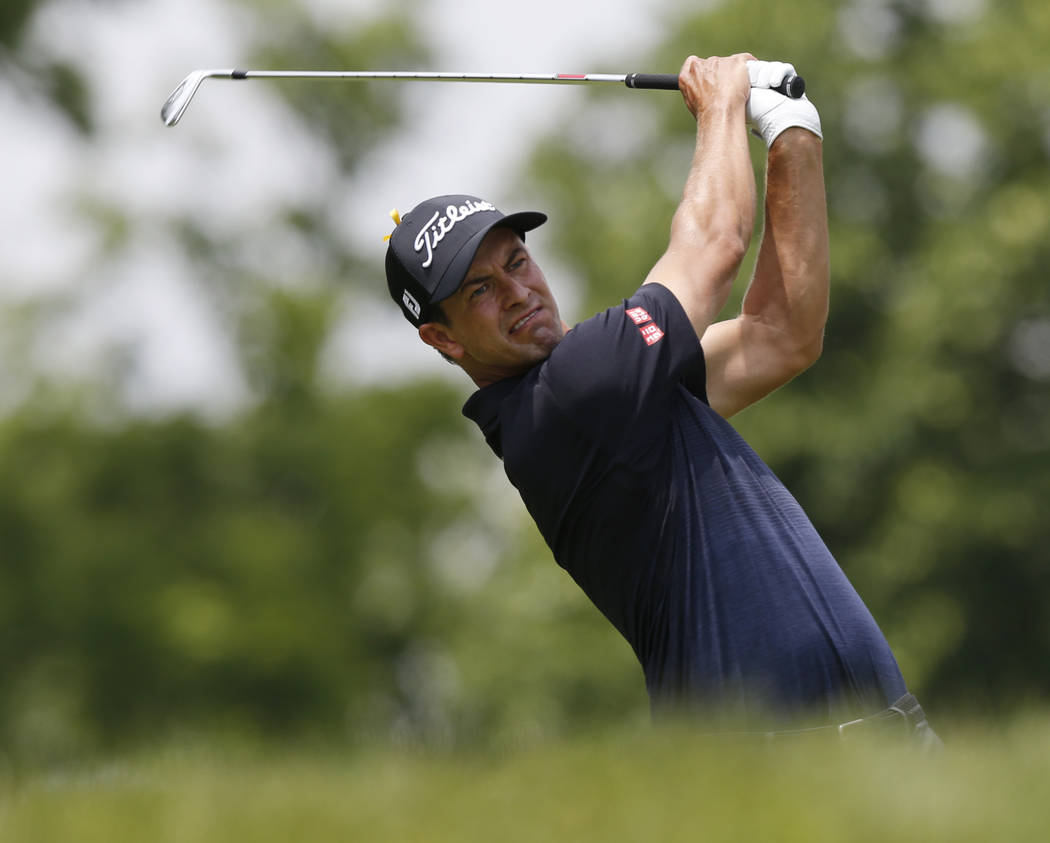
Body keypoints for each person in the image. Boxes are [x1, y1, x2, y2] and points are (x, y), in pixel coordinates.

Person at [384, 54, 940, 744]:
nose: (518, 293)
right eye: (479, 291)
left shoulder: (615, 397)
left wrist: (793, 131)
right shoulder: (572, 398)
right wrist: (721, 106)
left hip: (891, 744)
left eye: (516, 261)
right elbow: (714, 242)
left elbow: (782, 333)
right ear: (444, 340)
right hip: (768, 773)